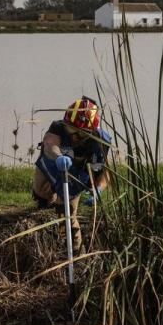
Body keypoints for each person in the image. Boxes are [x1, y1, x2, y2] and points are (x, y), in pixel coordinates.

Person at [33, 96, 112, 248]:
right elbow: (50, 146)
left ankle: (75, 251)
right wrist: (58, 157)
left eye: (81, 133)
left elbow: (106, 172)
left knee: (66, 214)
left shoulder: (101, 141)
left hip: (76, 177)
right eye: (71, 130)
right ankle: (46, 201)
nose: (74, 137)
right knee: (41, 194)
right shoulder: (58, 127)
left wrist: (98, 189)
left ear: (91, 131)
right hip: (54, 164)